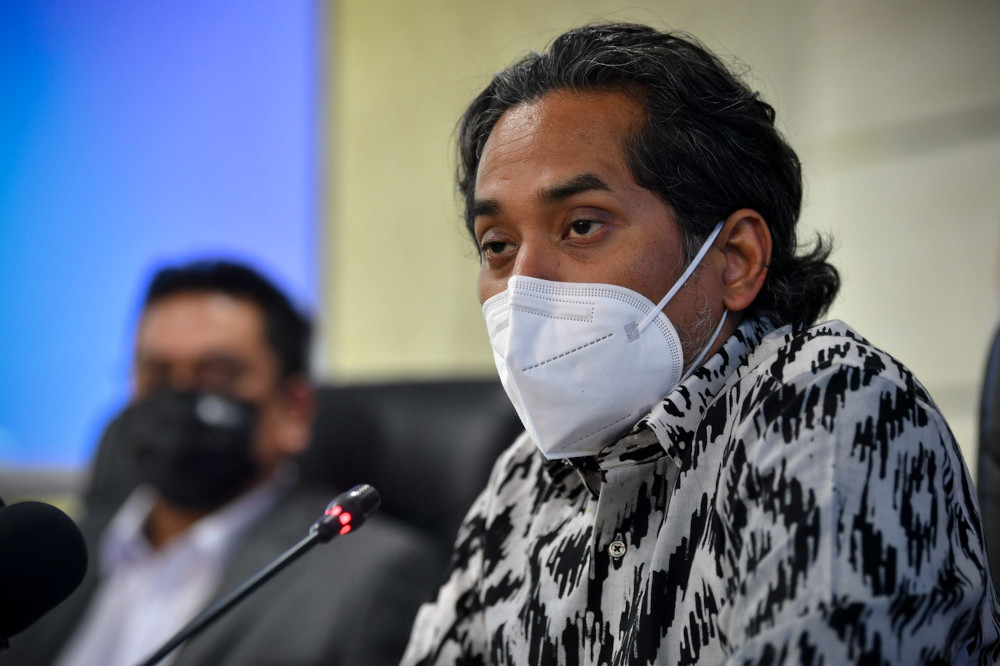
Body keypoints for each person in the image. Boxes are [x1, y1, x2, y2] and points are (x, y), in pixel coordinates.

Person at [401, 23, 1000, 665]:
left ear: (735, 259)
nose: (523, 285)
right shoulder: (523, 480)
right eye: (497, 246)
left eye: (580, 226)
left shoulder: (830, 402)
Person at [2, 260, 444, 666]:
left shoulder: (374, 577)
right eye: (155, 375)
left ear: (295, 410)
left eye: (215, 375)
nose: (178, 399)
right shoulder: (47, 563)